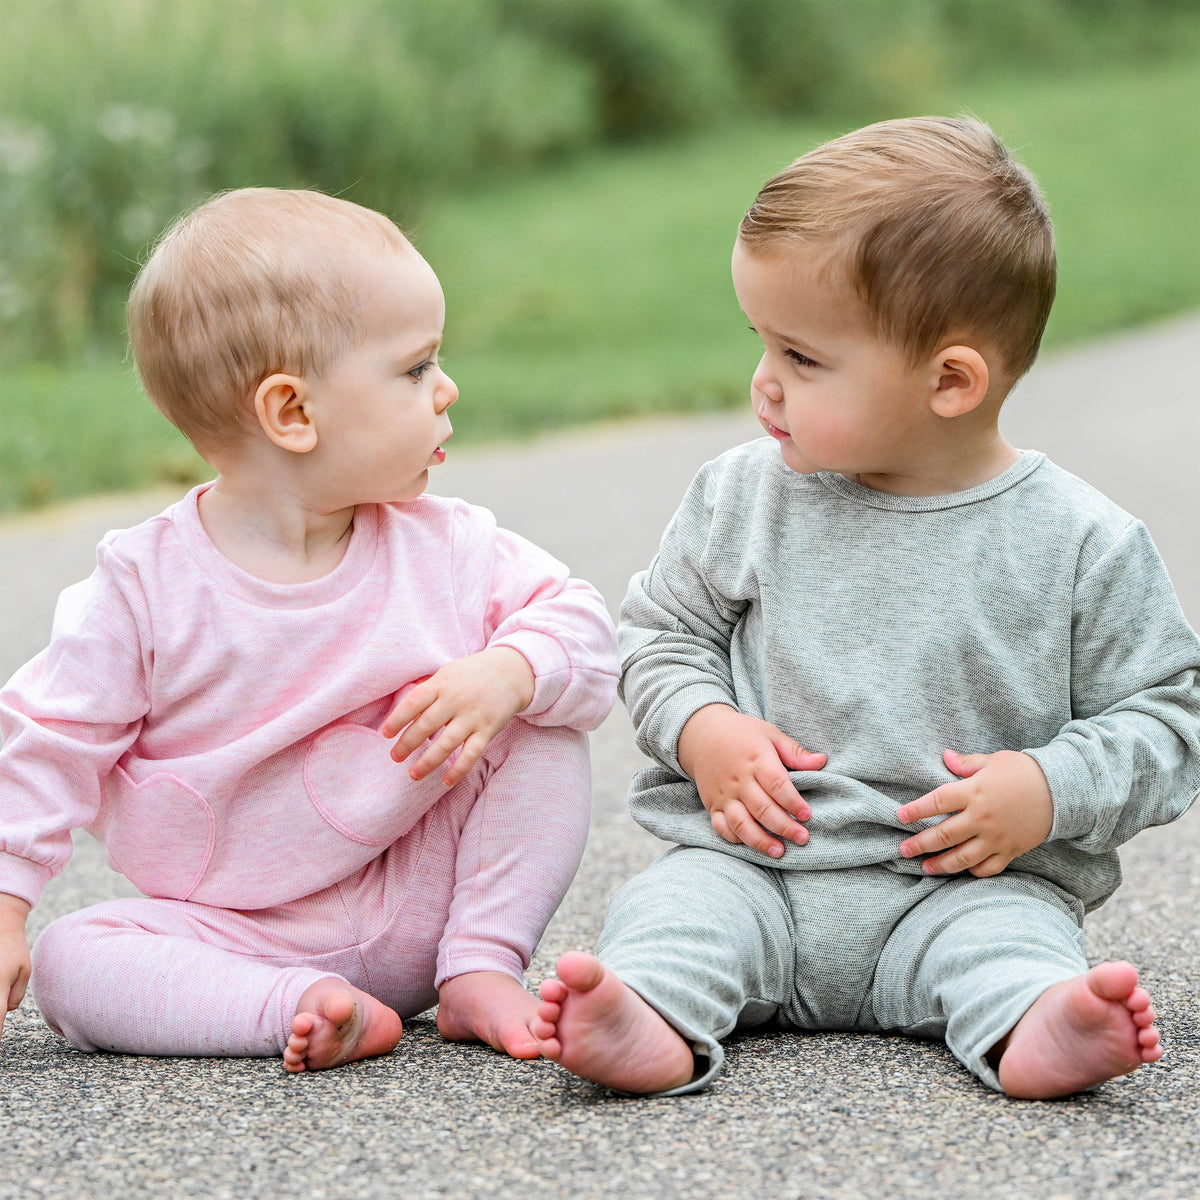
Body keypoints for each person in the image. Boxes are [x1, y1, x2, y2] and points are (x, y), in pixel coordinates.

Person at [532, 117, 1200, 1100]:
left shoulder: (1081, 543)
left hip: (961, 889)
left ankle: (1041, 1027)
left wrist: (1048, 789)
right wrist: (705, 729)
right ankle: (646, 1016)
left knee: (1010, 947)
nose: (763, 383)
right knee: (673, 913)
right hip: (756, 869)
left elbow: (1168, 719)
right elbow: (663, 633)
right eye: (761, 343)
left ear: (950, 381)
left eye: (802, 357)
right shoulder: (744, 496)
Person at [0, 188, 619, 1072]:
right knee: (74, 963)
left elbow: (588, 633)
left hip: (423, 902)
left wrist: (510, 671)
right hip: (230, 934)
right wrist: (7, 904)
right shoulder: (143, 586)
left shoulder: (446, 547)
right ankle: (296, 1008)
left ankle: (482, 966)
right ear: (293, 413)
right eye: (414, 369)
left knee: (539, 717)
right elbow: (46, 739)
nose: (447, 388)